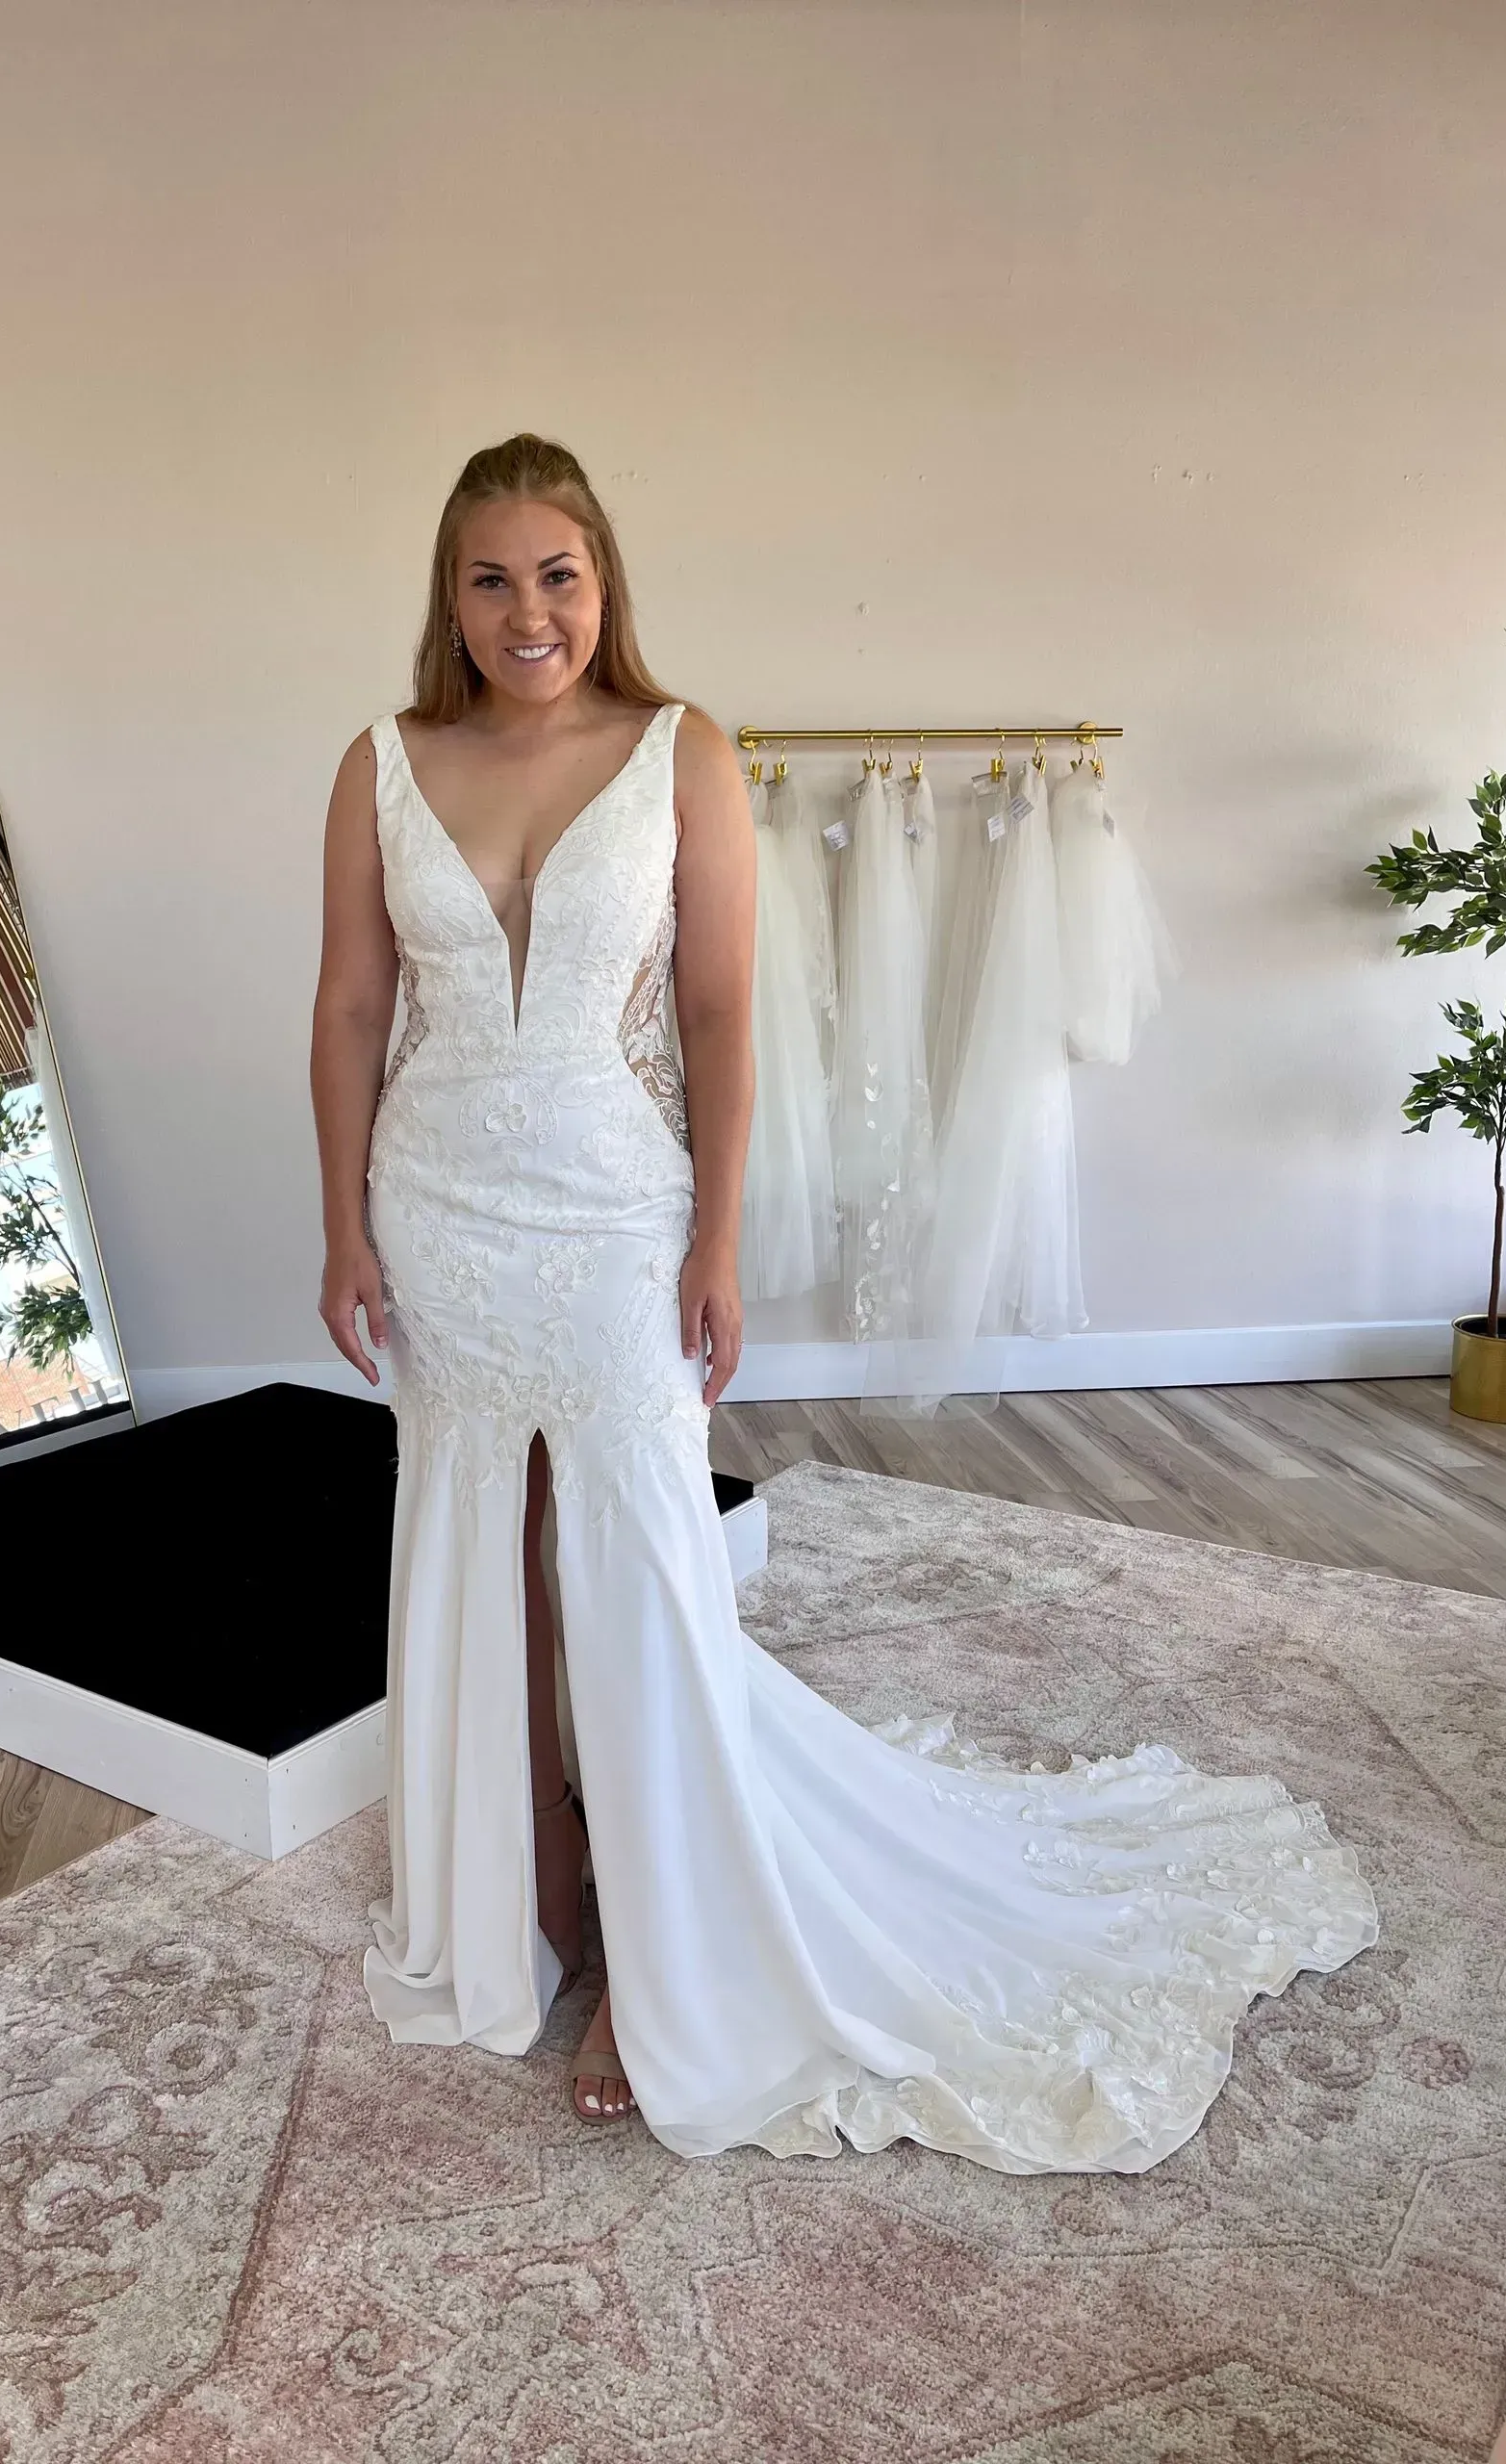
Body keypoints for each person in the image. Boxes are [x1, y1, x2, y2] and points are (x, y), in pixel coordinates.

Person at [309, 431, 1378, 2166]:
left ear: (606, 584)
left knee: (639, 1576)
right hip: (435, 1214)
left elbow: (725, 1016)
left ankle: (655, 1968)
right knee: (479, 1564)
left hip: (608, 1217)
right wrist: (344, 1226)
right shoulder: (379, 763)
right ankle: (538, 1896)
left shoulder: (681, 753)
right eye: (493, 577)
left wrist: (716, 1242)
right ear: (451, 592)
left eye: (560, 575)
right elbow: (352, 1007)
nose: (530, 612)